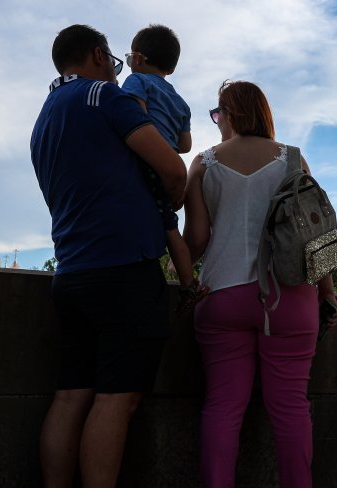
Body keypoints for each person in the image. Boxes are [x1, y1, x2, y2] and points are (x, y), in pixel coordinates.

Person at [30, 24, 186, 488]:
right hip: (122, 266)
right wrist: (172, 199)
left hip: (70, 269)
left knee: (70, 394)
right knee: (117, 398)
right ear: (99, 55)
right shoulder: (105, 96)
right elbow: (172, 166)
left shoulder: (44, 118)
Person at [183, 80, 337, 488]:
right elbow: (318, 236)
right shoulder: (292, 158)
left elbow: (197, 240)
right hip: (288, 299)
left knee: (221, 408)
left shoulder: (205, 163)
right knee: (291, 408)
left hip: (221, 297)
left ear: (229, 114)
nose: (218, 121)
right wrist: (327, 292)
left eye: (218, 113)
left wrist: (183, 277)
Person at [121, 24, 207, 311]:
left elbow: (134, 119)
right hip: (170, 161)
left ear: (137, 58)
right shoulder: (180, 102)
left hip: (146, 161)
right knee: (170, 228)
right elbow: (185, 145)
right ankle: (188, 284)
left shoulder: (136, 83)